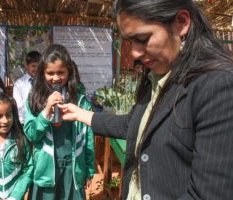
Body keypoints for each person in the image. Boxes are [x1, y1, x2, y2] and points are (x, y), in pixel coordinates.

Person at [58, 0, 233, 200]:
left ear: (182, 22)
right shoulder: (158, 75)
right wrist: (80, 114)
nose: (135, 53)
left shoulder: (218, 86)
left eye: (142, 38)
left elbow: (207, 194)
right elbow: (133, 125)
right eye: (130, 41)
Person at [24, 44, 96, 200]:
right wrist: (46, 111)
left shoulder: (80, 99)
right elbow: (31, 134)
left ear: (69, 72)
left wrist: (89, 170)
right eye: (50, 73)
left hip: (73, 168)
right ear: (42, 73)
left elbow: (88, 137)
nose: (55, 78)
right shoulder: (35, 99)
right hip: (46, 171)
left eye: (60, 72)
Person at [13, 51, 41, 124]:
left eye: (38, 66)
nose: (36, 69)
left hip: (41, 120)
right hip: (24, 121)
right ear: (26, 65)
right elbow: (19, 105)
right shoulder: (19, 84)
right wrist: (22, 122)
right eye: (33, 66)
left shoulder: (43, 82)